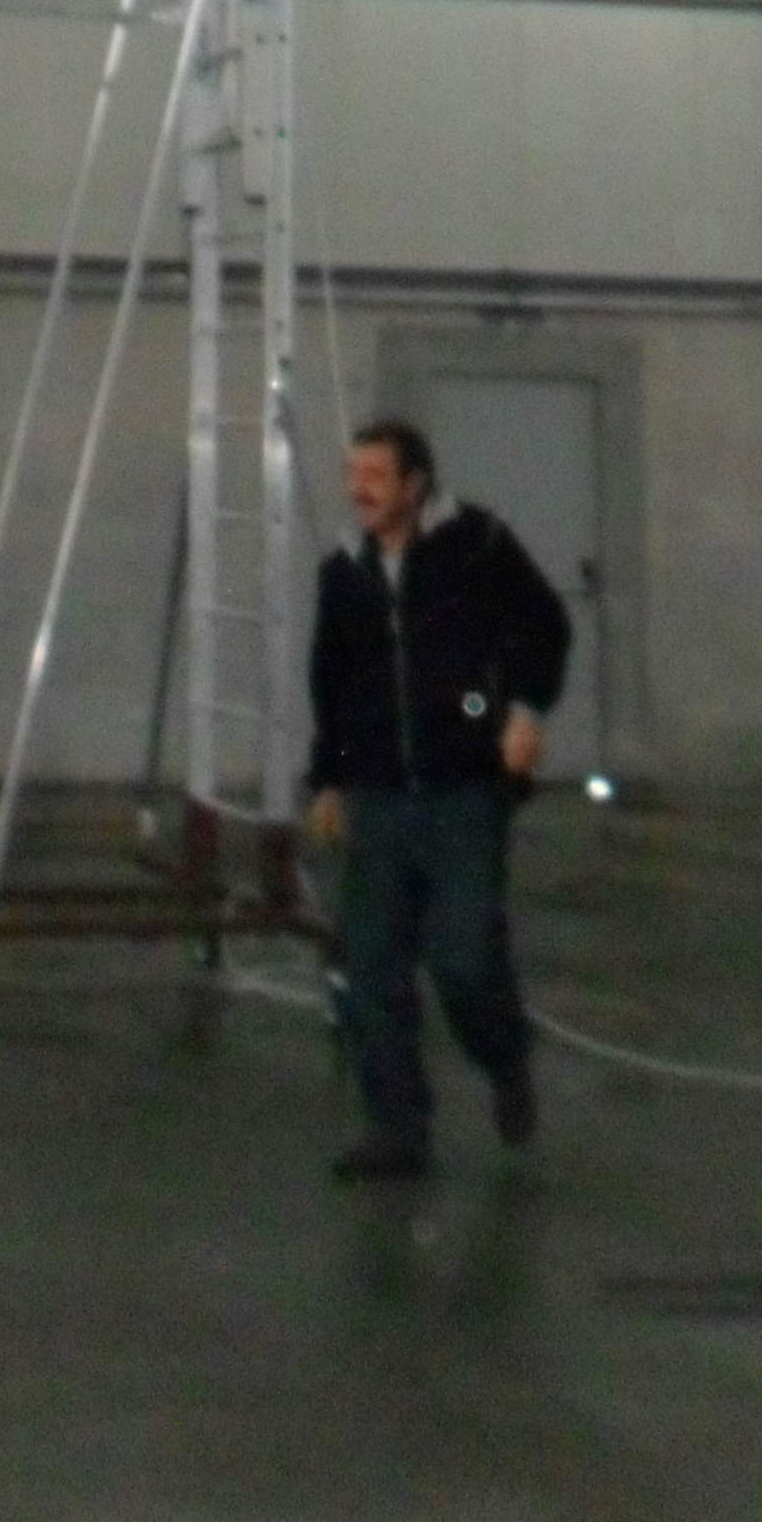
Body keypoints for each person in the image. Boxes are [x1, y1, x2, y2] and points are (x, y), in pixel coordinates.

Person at [305, 413, 571, 1181]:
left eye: (375, 476)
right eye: (353, 474)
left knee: (464, 959)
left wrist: (523, 712)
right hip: (377, 796)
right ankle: (398, 1129)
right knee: (371, 967)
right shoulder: (343, 572)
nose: (358, 489)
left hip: (465, 787)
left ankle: (505, 1058)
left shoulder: (478, 545)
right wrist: (329, 778)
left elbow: (546, 626)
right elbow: (333, 686)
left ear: (415, 485)